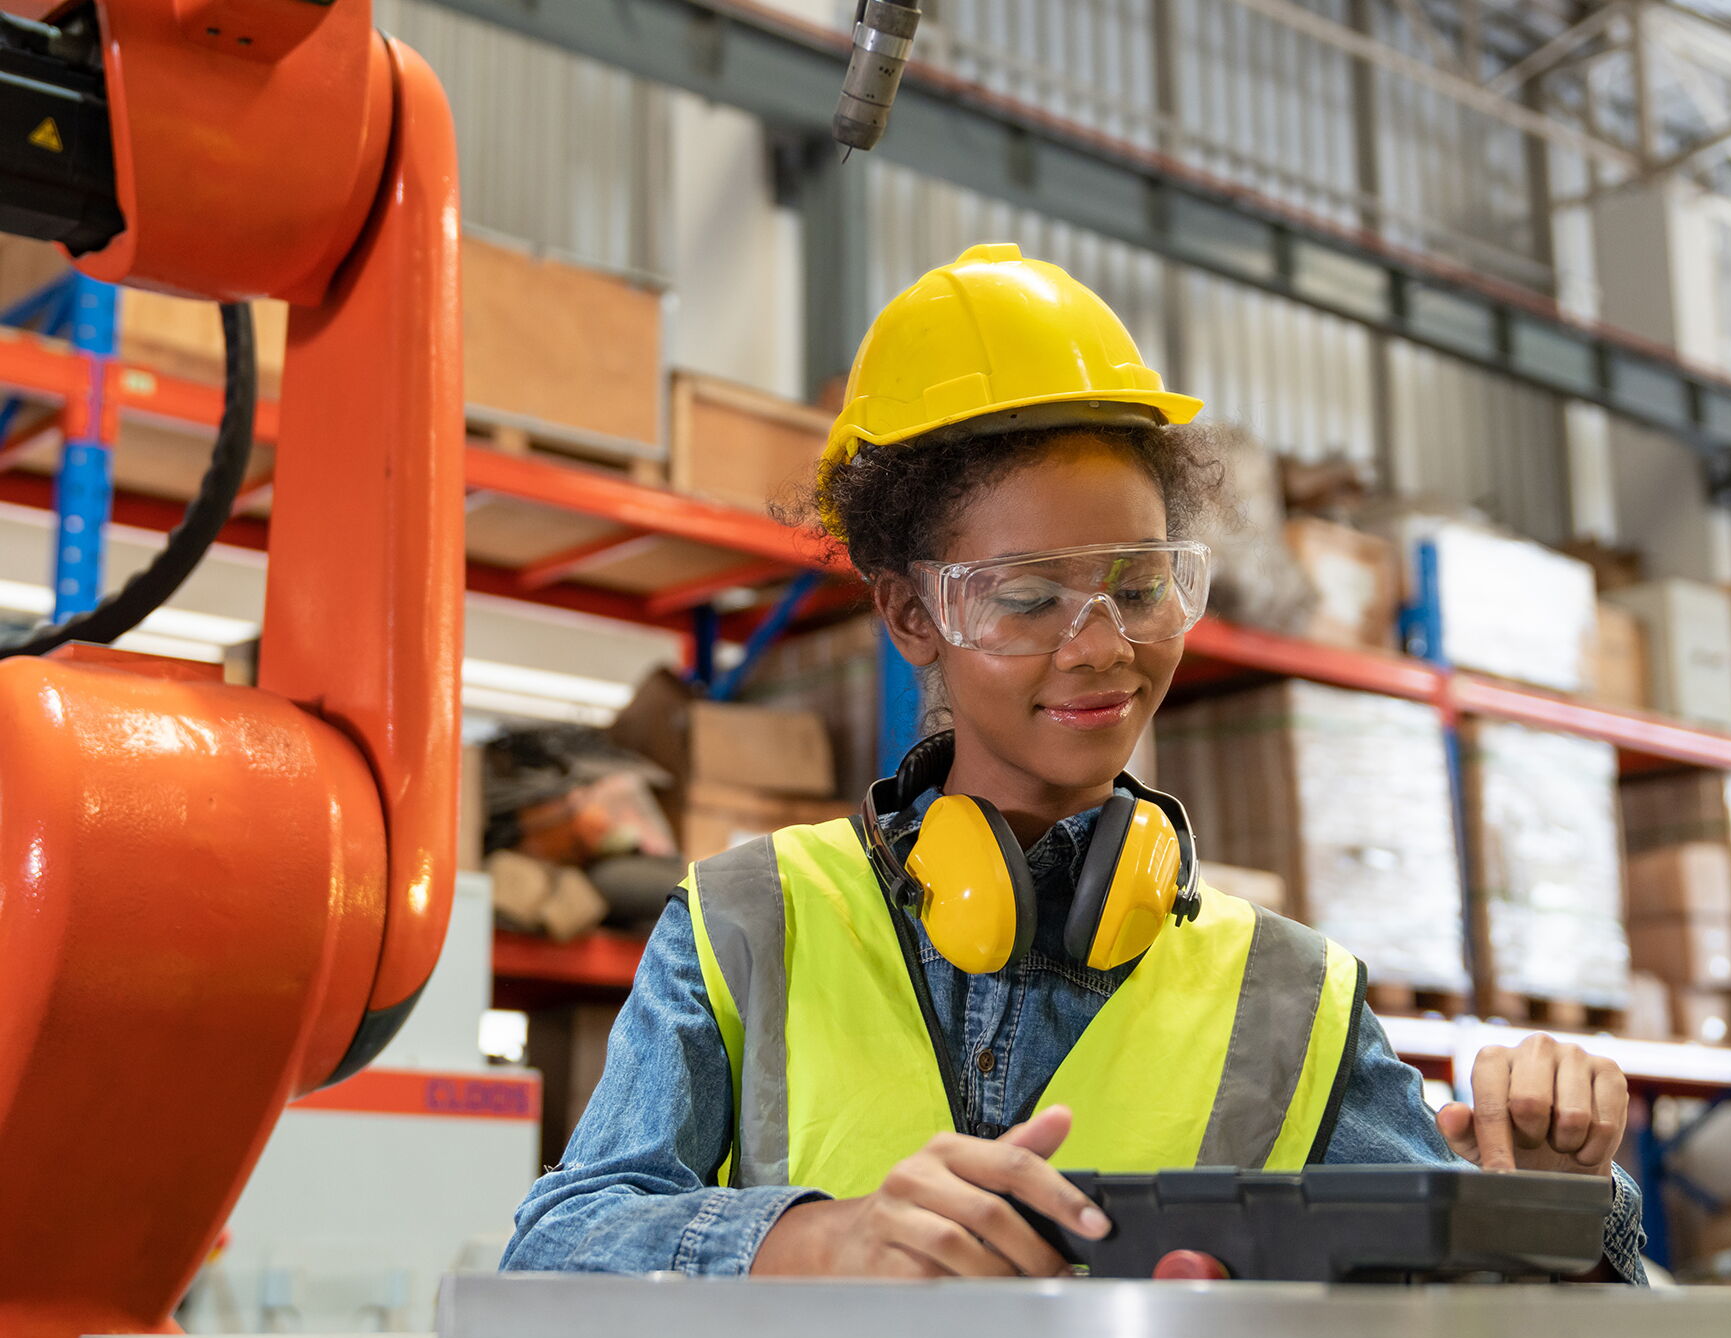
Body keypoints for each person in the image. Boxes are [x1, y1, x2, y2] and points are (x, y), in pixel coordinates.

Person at [501, 244, 1647, 1283]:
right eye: (1029, 598)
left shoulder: (1292, 996)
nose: (1102, 647)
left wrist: (1558, 1200)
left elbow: (1491, 1303)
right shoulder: (749, 921)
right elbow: (557, 1243)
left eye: (1141, 588)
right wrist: (815, 1238)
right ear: (911, 613)